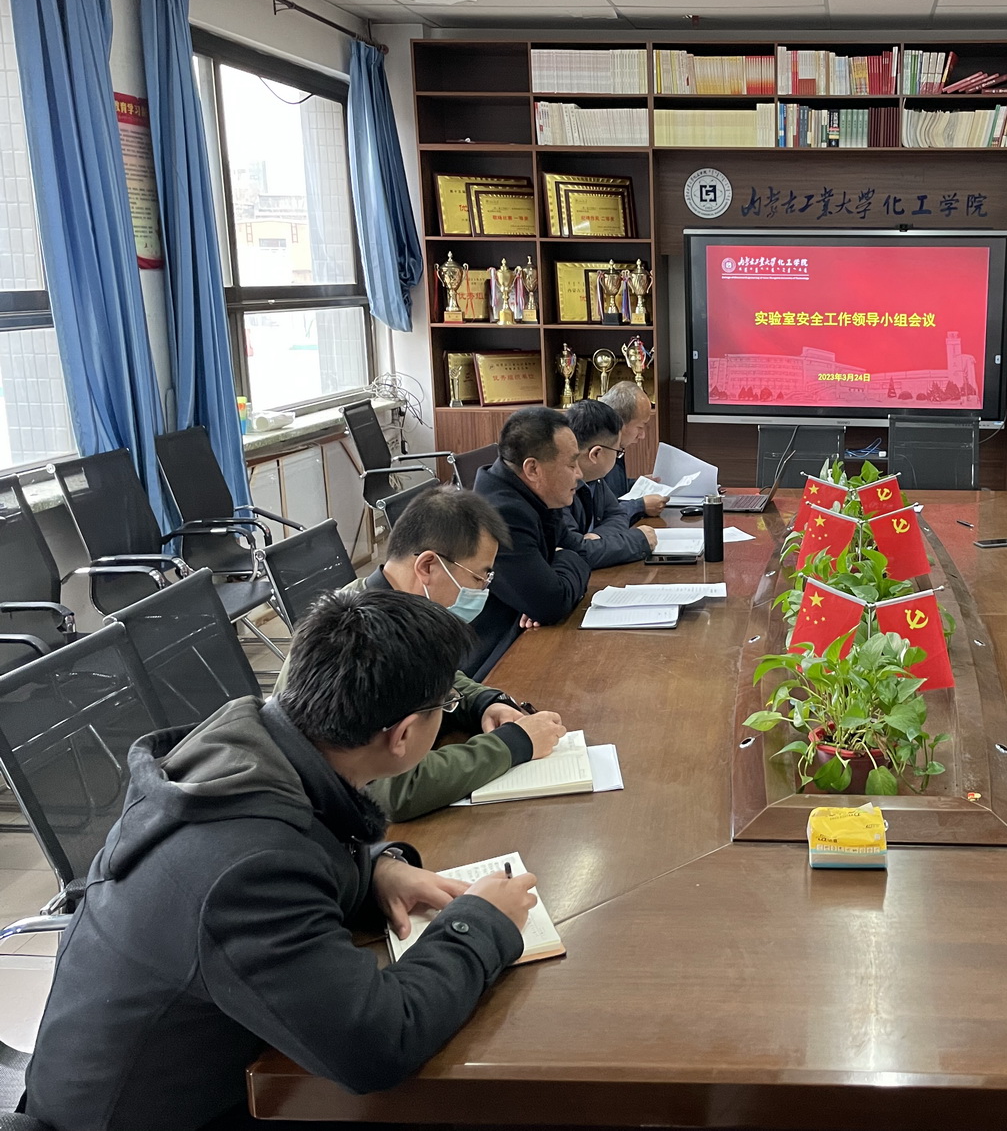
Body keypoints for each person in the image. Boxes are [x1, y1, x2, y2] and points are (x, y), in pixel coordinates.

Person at [23, 589, 538, 1131]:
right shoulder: (250, 869)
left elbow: (306, 837)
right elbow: (379, 1045)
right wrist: (482, 923)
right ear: (405, 734)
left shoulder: (250, 742)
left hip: (160, 1072)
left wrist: (378, 870)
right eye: (445, 707)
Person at [272, 485, 568, 820]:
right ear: (427, 566)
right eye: (479, 578)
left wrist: (483, 702)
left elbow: (435, 677)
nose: (483, 591)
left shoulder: (387, 608)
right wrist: (514, 744)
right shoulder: (365, 640)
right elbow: (395, 791)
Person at [472, 406, 592, 668]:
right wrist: (563, 561)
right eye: (571, 464)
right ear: (533, 469)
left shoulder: (535, 495)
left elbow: (578, 550)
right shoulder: (502, 515)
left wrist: (561, 562)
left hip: (522, 635)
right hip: (492, 657)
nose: (579, 474)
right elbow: (551, 604)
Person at [565, 398, 657, 567]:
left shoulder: (595, 479)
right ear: (596, 454)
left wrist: (598, 538)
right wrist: (639, 540)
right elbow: (574, 553)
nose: (617, 458)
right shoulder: (558, 486)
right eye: (618, 451)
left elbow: (617, 514)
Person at [601, 381, 665, 522]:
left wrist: (638, 484)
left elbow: (613, 491)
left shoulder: (616, 447)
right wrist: (640, 505)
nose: (642, 435)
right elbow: (603, 515)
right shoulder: (599, 453)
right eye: (640, 427)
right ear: (620, 424)